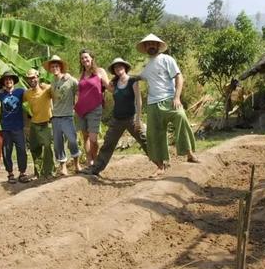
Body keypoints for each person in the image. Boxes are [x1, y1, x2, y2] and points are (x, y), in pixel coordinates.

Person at [137, 33, 199, 176]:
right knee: (155, 134)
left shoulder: (167, 59)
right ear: (145, 47)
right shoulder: (147, 66)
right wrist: (122, 78)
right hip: (153, 104)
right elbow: (138, 77)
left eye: (153, 44)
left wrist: (177, 97)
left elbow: (179, 77)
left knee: (181, 117)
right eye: (148, 44)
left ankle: (189, 153)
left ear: (158, 46)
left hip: (169, 99)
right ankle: (161, 166)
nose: (151, 46)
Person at [82, 57, 156, 176]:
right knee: (108, 144)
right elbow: (103, 85)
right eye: (116, 67)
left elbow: (138, 101)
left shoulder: (133, 81)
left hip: (132, 119)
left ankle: (160, 163)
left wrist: (138, 119)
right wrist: (98, 75)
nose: (118, 68)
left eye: (120, 66)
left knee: (145, 140)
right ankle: (95, 169)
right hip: (117, 120)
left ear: (125, 67)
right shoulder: (115, 83)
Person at [45, 55, 82, 176]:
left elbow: (79, 89)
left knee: (72, 140)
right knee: (57, 143)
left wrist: (77, 105)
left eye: (56, 66)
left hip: (67, 116)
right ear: (50, 69)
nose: (54, 68)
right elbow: (49, 96)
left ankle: (77, 163)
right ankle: (63, 167)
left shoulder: (70, 79)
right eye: (52, 66)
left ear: (60, 67)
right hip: (55, 117)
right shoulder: (52, 82)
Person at [74, 49, 109, 166]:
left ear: (92, 58)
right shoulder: (82, 75)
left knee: (93, 139)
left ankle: (96, 160)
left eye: (86, 57)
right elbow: (79, 92)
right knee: (85, 137)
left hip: (95, 108)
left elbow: (108, 86)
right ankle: (90, 162)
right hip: (81, 109)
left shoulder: (99, 71)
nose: (84, 60)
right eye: (82, 58)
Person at [0, 71, 31, 184]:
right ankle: (10, 173)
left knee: (21, 150)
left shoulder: (21, 92)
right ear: (3, 82)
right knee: (7, 152)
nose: (8, 81)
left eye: (10, 79)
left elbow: (32, 94)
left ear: (13, 81)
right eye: (6, 80)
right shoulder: (0, 96)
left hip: (18, 127)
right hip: (5, 128)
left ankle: (22, 173)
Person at [23, 69, 54, 179]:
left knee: (47, 147)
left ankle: (49, 171)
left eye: (34, 77)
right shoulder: (27, 93)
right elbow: (21, 105)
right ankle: (38, 172)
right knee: (35, 148)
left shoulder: (46, 89)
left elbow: (56, 91)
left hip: (46, 122)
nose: (32, 80)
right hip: (34, 124)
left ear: (38, 77)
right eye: (30, 78)